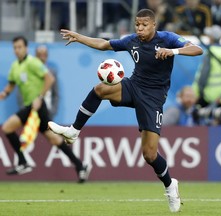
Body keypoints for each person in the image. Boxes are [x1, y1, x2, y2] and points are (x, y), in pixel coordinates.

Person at [48, 9, 203, 212]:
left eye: (144, 25)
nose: (139, 28)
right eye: (137, 24)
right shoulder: (131, 41)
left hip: (153, 99)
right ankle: (74, 131)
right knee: (100, 89)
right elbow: (104, 44)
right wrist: (79, 37)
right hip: (133, 86)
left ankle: (169, 184)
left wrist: (172, 51)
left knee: (149, 154)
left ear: (154, 25)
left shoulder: (168, 39)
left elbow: (197, 49)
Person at [0, 36, 91, 183]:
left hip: (36, 106)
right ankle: (81, 166)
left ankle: (23, 162)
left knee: (7, 127)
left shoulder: (33, 62)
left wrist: (39, 97)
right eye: (15, 48)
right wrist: (4, 93)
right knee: (54, 138)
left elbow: (50, 78)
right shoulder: (15, 66)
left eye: (20, 47)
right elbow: (11, 83)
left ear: (26, 48)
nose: (17, 50)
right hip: (31, 107)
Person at [192, 25, 221, 126]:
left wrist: (198, 92)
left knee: (201, 122)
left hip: (209, 94)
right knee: (220, 123)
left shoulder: (210, 52)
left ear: (211, 37)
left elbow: (203, 75)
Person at [17, 45, 59, 119]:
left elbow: (55, 94)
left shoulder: (52, 73)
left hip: (47, 111)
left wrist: (53, 111)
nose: (42, 57)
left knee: (48, 130)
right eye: (39, 55)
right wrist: (24, 109)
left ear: (47, 56)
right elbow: (21, 91)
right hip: (29, 110)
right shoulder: (27, 71)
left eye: (44, 55)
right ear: (35, 55)